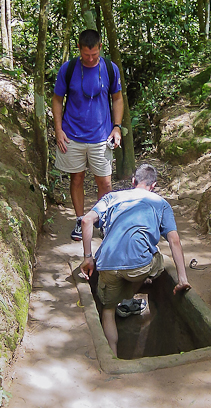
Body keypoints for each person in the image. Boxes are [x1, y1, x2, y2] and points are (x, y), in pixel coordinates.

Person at [80, 163, 191, 356]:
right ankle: (128, 297)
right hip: (139, 267)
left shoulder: (112, 196)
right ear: (153, 185)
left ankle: (113, 356)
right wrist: (182, 278)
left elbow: (86, 220)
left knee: (107, 310)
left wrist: (88, 258)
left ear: (133, 182)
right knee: (157, 257)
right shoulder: (161, 203)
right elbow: (174, 240)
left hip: (106, 263)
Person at [52, 29, 124, 241]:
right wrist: (58, 129)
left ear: (100, 47)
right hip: (72, 135)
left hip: (101, 137)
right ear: (79, 50)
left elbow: (117, 98)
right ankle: (79, 218)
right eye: (86, 55)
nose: (90, 59)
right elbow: (57, 100)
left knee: (106, 183)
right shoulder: (69, 69)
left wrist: (117, 126)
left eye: (94, 54)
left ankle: (101, 219)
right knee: (77, 179)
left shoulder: (110, 69)